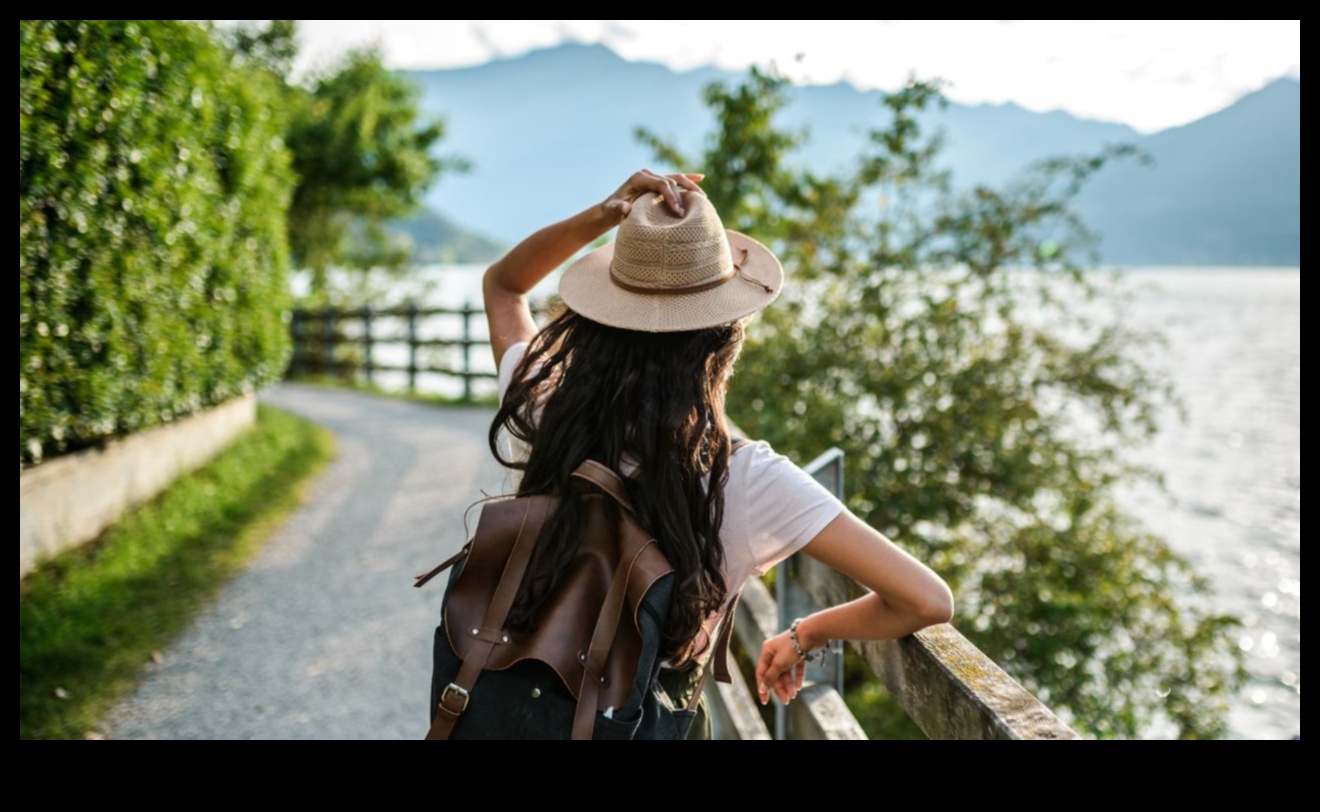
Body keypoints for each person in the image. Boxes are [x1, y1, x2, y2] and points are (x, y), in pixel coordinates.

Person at [481, 169, 953, 734]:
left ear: (598, 320)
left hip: (521, 710)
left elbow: (503, 284)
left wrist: (609, 212)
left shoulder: (544, 407)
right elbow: (926, 600)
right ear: (724, 339)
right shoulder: (749, 476)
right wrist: (807, 634)